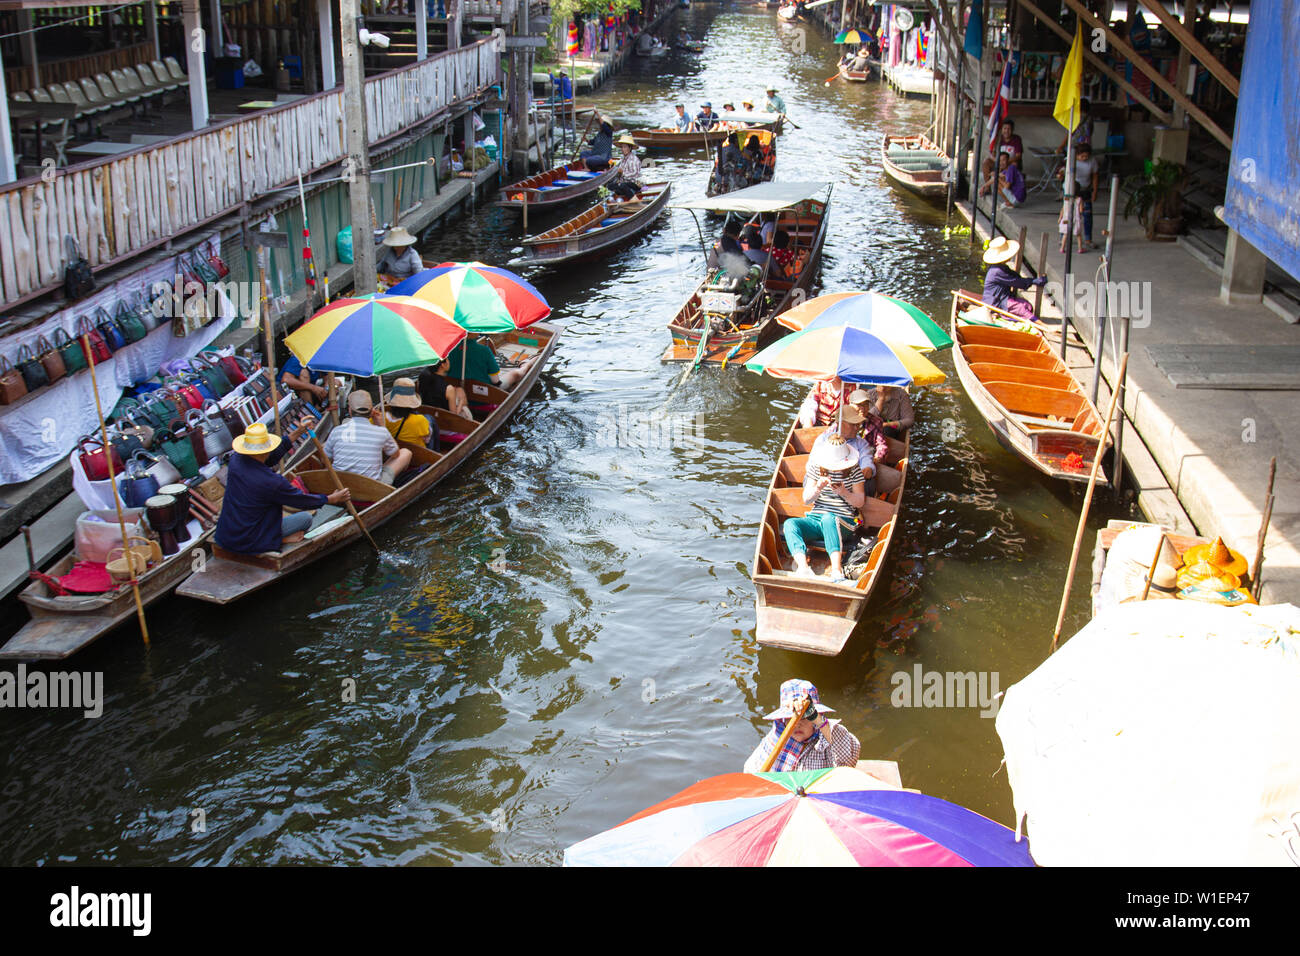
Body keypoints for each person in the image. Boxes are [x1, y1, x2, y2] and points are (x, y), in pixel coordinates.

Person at [214, 422, 351, 554]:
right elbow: (301, 501)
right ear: (265, 452)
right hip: (252, 540)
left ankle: (276, 538)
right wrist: (329, 499)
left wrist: (298, 432)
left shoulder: (235, 461)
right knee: (305, 518)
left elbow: (269, 458)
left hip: (226, 534)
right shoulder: (271, 482)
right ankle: (279, 540)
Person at [782, 434, 864, 582]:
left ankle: (836, 570)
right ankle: (803, 567)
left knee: (828, 519)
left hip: (843, 520)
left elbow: (860, 502)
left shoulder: (854, 471)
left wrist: (844, 493)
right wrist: (818, 488)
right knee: (790, 524)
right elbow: (807, 499)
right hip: (816, 518)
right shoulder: (817, 469)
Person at [743, 679, 861, 773]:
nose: (797, 724)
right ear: (783, 720)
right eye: (790, 718)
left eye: (805, 718)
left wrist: (816, 718)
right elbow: (751, 771)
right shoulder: (774, 740)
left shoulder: (826, 740)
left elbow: (848, 761)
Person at [323, 390, 412, 485]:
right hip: (371, 487)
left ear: (350, 410)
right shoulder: (381, 432)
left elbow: (325, 459)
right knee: (405, 453)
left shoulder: (337, 431)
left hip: (340, 483)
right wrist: (381, 425)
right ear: (371, 411)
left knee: (325, 448)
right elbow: (395, 454)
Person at [982, 236, 1046, 322]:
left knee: (1027, 305)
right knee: (1021, 308)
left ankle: (1012, 317)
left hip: (1003, 297)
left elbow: (1015, 277)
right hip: (996, 301)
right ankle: (1039, 323)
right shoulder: (997, 271)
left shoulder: (1002, 267)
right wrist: (1034, 281)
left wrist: (1032, 281)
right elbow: (1016, 282)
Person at [445, 335, 534, 390]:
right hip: (484, 392)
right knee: (514, 374)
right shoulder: (484, 350)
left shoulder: (448, 348)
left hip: (455, 386)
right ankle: (527, 364)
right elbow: (495, 381)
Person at [383, 376, 437, 450]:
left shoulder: (381, 418)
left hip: (393, 451)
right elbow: (427, 439)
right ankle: (436, 451)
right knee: (430, 419)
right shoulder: (419, 420)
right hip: (417, 454)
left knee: (428, 418)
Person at [1061, 141, 1098, 248]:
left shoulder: (1092, 161)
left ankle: (1087, 239)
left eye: (1087, 156)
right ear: (1076, 155)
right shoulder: (1070, 160)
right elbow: (1063, 172)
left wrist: (1095, 191)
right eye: (1082, 156)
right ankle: (1063, 237)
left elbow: (1095, 176)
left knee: (1087, 214)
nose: (1085, 158)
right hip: (1072, 189)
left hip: (1085, 189)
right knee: (1068, 213)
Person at [609, 135, 643, 200]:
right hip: (625, 182)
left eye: (625, 147)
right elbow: (620, 174)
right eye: (622, 147)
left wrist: (623, 173)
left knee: (623, 185)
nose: (622, 149)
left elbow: (635, 174)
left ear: (630, 148)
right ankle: (617, 199)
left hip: (635, 183)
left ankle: (635, 200)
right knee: (610, 185)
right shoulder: (623, 159)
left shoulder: (634, 159)